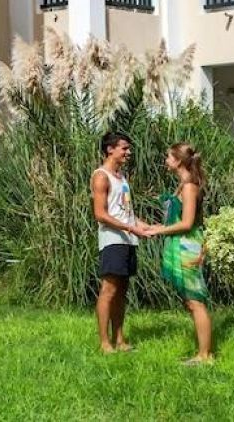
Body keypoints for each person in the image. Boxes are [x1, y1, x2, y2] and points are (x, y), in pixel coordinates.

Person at [151, 142, 214, 364]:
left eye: (169, 157)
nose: (166, 161)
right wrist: (157, 227)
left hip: (188, 246)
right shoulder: (184, 184)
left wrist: (159, 230)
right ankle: (203, 352)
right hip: (183, 244)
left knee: (195, 301)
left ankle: (205, 355)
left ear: (178, 161)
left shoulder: (189, 187)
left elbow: (187, 223)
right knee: (190, 301)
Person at [91, 131, 154, 354]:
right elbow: (100, 214)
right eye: (124, 148)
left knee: (121, 292)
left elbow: (126, 213)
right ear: (110, 149)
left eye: (128, 148)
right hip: (112, 241)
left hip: (128, 240)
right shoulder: (101, 176)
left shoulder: (122, 178)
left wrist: (146, 226)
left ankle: (119, 339)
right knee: (108, 290)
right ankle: (104, 342)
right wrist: (130, 228)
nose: (129, 152)